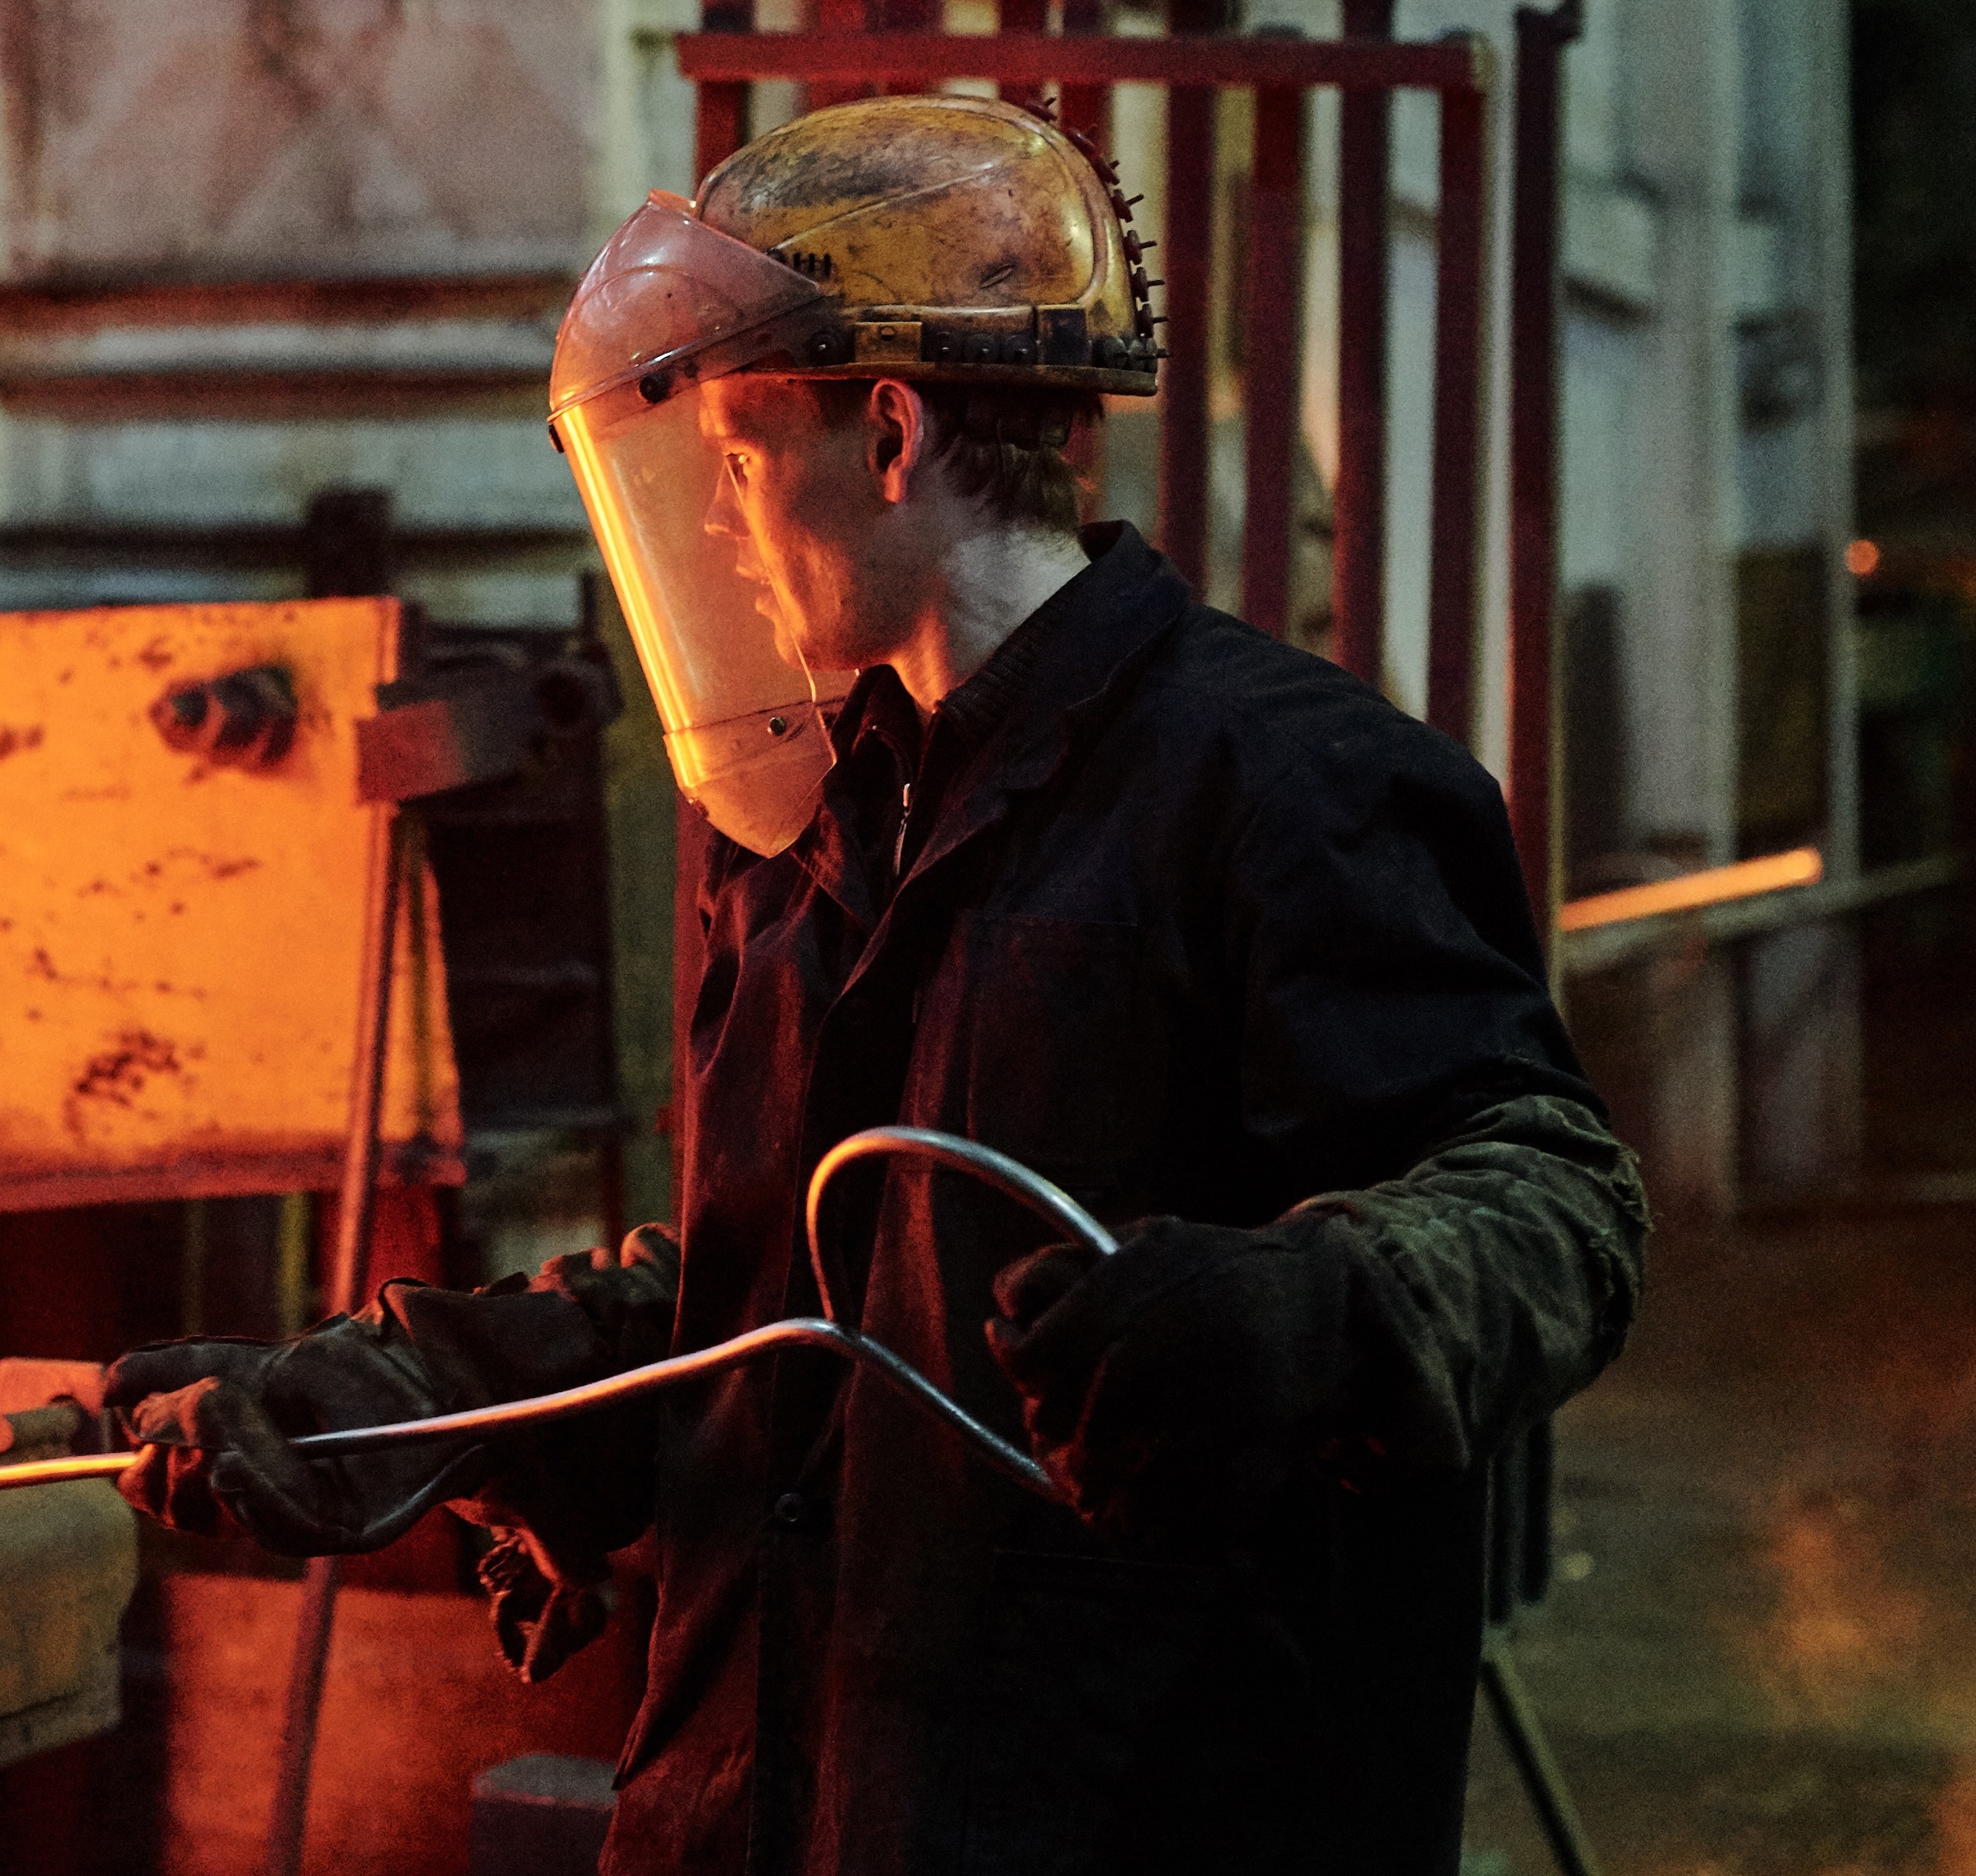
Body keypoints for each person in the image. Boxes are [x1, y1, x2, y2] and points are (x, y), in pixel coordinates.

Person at [103, 93, 1648, 1874]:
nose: (728, 526)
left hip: (1113, 1812)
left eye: (744, 461)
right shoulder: (805, 824)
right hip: (767, 1807)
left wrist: (1312, 1311)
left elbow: (1556, 1201)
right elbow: (806, 1281)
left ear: (894, 431)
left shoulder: (1280, 783)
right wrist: (443, 1393)